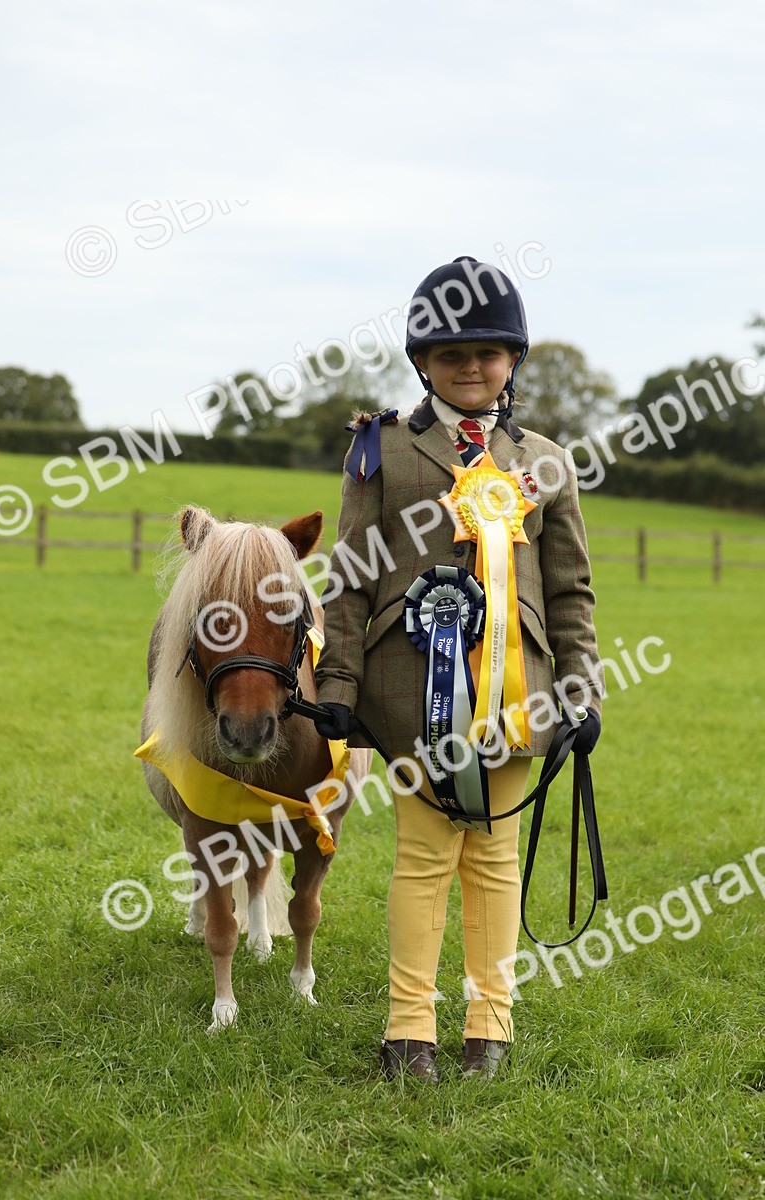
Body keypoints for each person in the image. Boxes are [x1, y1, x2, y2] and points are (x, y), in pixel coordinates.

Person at [313, 255, 604, 1081]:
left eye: (486, 353)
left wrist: (581, 687)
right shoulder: (382, 450)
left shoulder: (546, 460)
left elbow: (571, 587)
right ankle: (410, 1033)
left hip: (519, 695)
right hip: (414, 692)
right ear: (422, 363)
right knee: (425, 857)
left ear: (512, 361)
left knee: (496, 859)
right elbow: (349, 578)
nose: (470, 369)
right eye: (450, 355)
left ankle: (490, 1031)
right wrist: (336, 684)